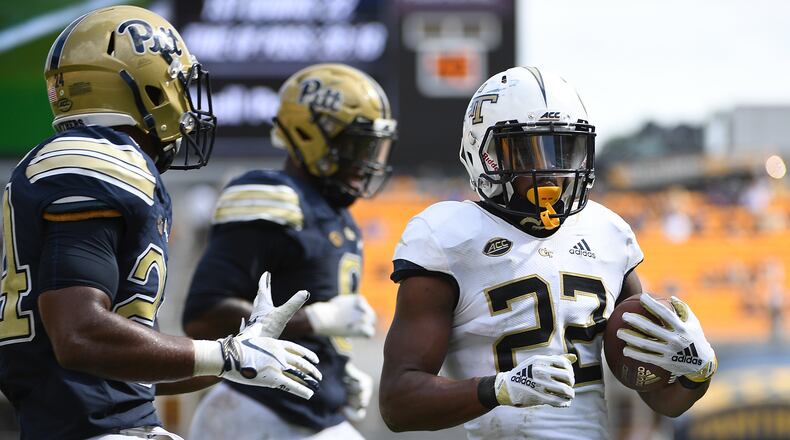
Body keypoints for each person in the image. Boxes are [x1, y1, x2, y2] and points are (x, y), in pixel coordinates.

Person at [0, 6, 320, 440]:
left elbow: (129, 369)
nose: (188, 104)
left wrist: (240, 355)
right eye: (178, 86)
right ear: (145, 88)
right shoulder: (99, 160)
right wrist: (223, 355)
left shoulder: (85, 161)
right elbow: (78, 334)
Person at [379, 66, 717, 439]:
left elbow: (659, 397)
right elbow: (398, 403)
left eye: (565, 149)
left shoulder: (608, 234)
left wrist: (695, 370)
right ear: (485, 153)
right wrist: (499, 389)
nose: (553, 170)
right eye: (529, 151)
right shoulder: (449, 237)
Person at [182, 63, 395, 439]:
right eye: (357, 145)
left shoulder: (336, 215)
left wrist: (335, 371)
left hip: (305, 414)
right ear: (311, 135)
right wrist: (314, 321)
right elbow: (204, 317)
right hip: (255, 410)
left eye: (374, 146)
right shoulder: (272, 197)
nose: (369, 160)